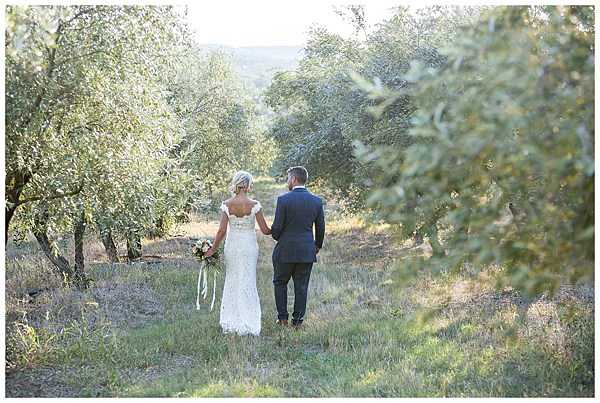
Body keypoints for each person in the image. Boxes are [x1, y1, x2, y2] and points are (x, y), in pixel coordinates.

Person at [205, 171, 271, 336]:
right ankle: (249, 319)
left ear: (236, 184)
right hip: (249, 246)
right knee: (248, 279)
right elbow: (265, 230)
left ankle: (231, 319)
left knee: (233, 279)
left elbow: (221, 231)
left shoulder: (227, 204)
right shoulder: (255, 205)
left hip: (233, 245)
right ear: (248, 185)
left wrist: (212, 249)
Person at [271, 166, 325, 328]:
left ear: (294, 179)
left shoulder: (283, 200)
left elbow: (277, 229)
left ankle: (282, 319)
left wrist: (279, 237)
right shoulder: (316, 201)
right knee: (301, 286)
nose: (287, 181)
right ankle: (298, 321)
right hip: (306, 251)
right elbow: (320, 227)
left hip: (285, 250)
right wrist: (317, 246)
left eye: (288, 178)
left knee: (280, 282)